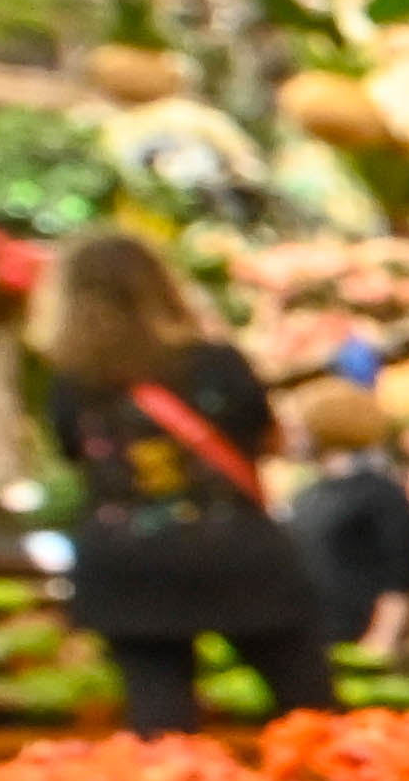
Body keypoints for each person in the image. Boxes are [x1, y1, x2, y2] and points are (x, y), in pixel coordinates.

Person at [32, 231, 338, 736]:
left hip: (126, 561)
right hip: (236, 549)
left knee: (160, 720)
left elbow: (72, 454)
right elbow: (265, 437)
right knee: (309, 704)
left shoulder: (72, 382)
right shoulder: (217, 363)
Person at [277, 375, 409, 665]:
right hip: (315, 647)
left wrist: (379, 644)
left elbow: (399, 575)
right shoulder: (306, 496)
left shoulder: (380, 492)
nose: (291, 438)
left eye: (297, 428)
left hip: (359, 645)